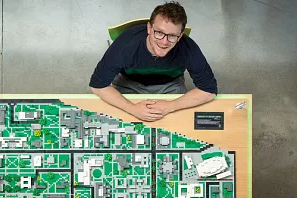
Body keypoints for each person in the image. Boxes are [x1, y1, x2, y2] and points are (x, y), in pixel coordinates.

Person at [89, 1, 218, 122]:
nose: (164, 42)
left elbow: (209, 90)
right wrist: (132, 108)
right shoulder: (125, 46)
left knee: (177, 126)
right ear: (149, 29)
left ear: (180, 35)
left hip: (170, 85)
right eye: (159, 32)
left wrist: (171, 106)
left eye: (172, 35)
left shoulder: (188, 48)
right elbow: (98, 85)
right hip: (129, 82)